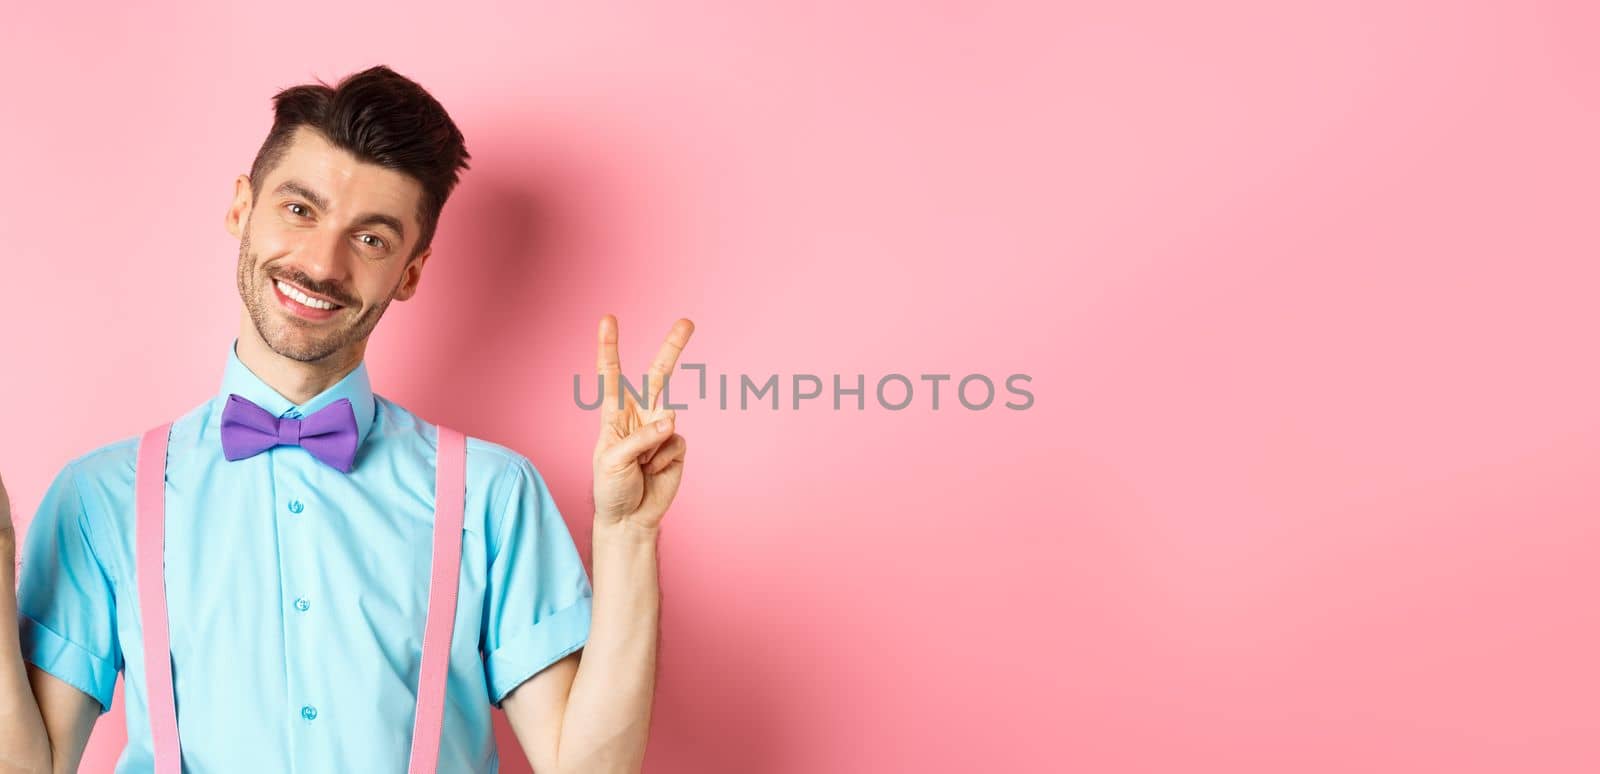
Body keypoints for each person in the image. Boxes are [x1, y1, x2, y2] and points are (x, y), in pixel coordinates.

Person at [0, 64, 690, 773]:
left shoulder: (493, 494)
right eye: (300, 210)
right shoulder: (100, 497)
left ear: (412, 272)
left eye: (371, 239)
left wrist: (629, 535)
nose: (321, 264)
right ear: (242, 207)